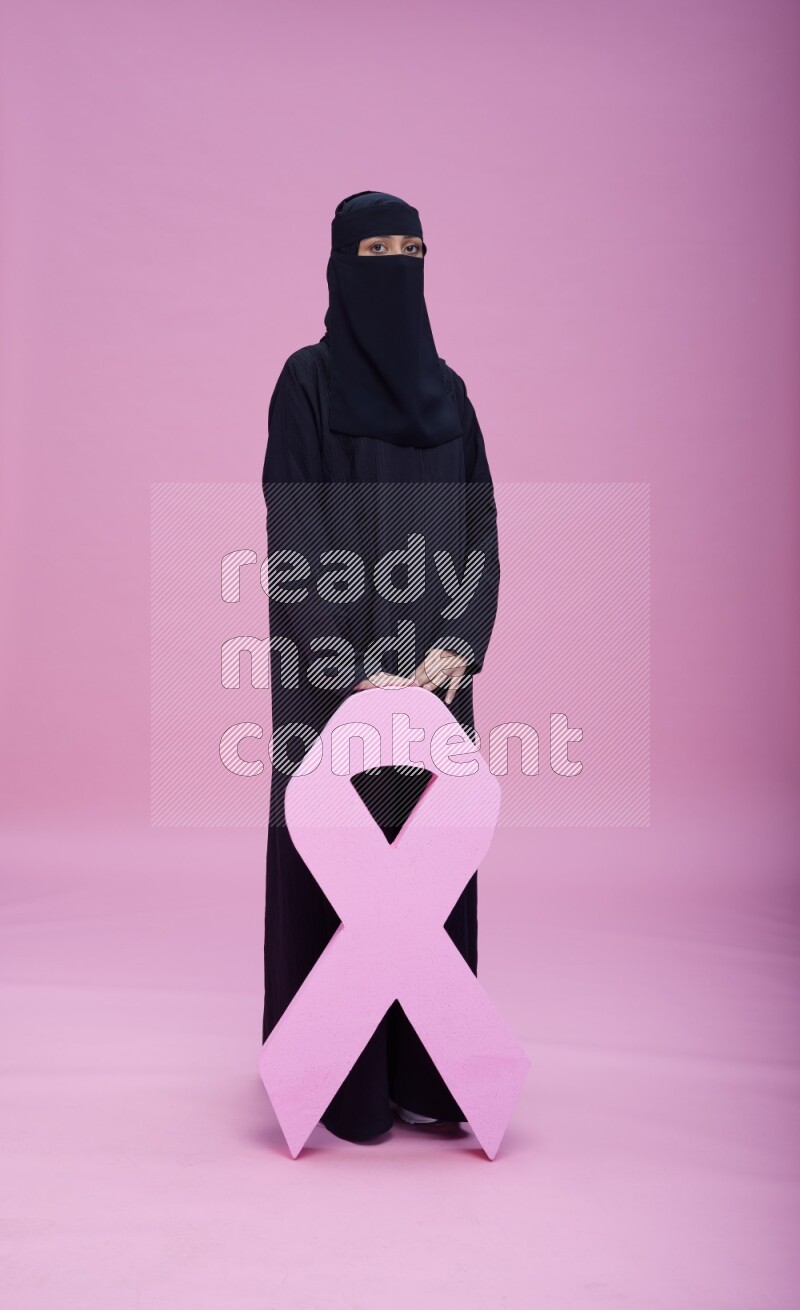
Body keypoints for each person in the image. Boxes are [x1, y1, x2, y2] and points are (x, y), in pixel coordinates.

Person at [261, 190, 500, 1142]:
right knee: (339, 864)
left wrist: (455, 646)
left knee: (429, 865)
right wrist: (362, 666)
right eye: (378, 248)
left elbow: (482, 525)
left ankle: (435, 1080)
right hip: (334, 680)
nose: (398, 265)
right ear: (339, 262)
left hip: (435, 680)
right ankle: (342, 1087)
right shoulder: (305, 385)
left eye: (414, 247)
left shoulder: (453, 394)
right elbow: (296, 531)